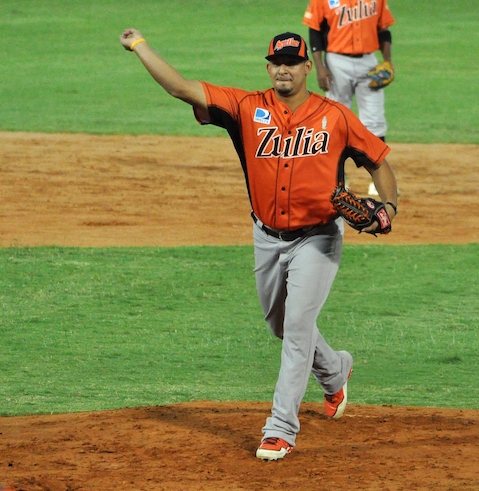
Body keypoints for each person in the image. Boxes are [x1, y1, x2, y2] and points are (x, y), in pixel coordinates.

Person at [119, 29, 398, 461]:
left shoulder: (336, 116)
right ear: (269, 67)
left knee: (298, 329)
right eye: (275, 62)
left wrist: (389, 208)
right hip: (266, 236)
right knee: (281, 325)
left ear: (308, 67)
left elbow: (379, 162)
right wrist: (140, 45)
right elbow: (179, 87)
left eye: (292, 61)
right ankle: (335, 370)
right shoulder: (246, 108)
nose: (283, 68)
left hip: (318, 237)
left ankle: (280, 428)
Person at [303, 0, 395, 196]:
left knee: (375, 121)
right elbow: (315, 32)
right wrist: (320, 67)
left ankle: (377, 181)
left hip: (369, 62)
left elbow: (384, 30)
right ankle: (338, 179)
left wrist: (387, 61)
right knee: (337, 121)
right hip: (337, 62)